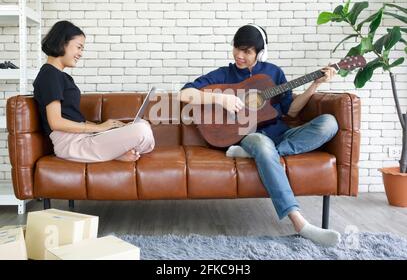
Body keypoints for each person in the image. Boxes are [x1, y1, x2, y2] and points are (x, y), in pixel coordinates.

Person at [180, 23, 341, 247]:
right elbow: (185, 94)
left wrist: (315, 84)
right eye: (237, 48)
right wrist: (221, 99)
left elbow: (291, 110)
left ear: (259, 53)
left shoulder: (273, 73)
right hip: (252, 137)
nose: (239, 55)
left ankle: (255, 154)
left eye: (247, 51)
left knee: (329, 123)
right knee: (263, 146)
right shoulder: (224, 74)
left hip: (281, 133)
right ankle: (300, 224)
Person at [33, 20, 155, 163]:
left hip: (83, 138)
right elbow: (56, 122)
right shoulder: (49, 74)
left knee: (143, 125)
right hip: (71, 144)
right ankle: (115, 153)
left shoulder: (61, 76)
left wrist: (105, 128)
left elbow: (72, 118)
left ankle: (114, 153)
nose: (80, 54)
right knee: (142, 131)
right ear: (62, 43)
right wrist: (99, 128)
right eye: (79, 47)